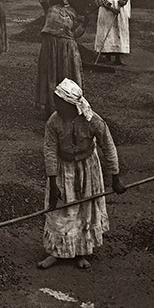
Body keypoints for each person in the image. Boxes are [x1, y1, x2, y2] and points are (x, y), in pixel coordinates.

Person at [38, 79, 123, 270]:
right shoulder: (54, 121)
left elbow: (108, 146)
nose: (56, 105)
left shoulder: (92, 120)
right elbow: (50, 150)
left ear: (72, 105)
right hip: (63, 169)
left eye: (60, 102)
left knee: (85, 210)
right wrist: (53, 183)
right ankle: (55, 252)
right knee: (60, 210)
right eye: (55, 100)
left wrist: (115, 177)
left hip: (88, 168)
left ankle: (81, 253)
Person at [36, 0, 84, 116]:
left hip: (67, 48)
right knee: (50, 75)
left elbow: (75, 34)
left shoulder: (72, 12)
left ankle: (68, 106)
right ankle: (50, 107)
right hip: (50, 46)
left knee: (65, 75)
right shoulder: (49, 8)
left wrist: (85, 24)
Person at [94, 0, 130, 65]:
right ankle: (107, 56)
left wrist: (123, 1)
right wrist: (111, 8)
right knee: (107, 32)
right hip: (107, 10)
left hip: (119, 9)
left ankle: (118, 58)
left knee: (118, 31)